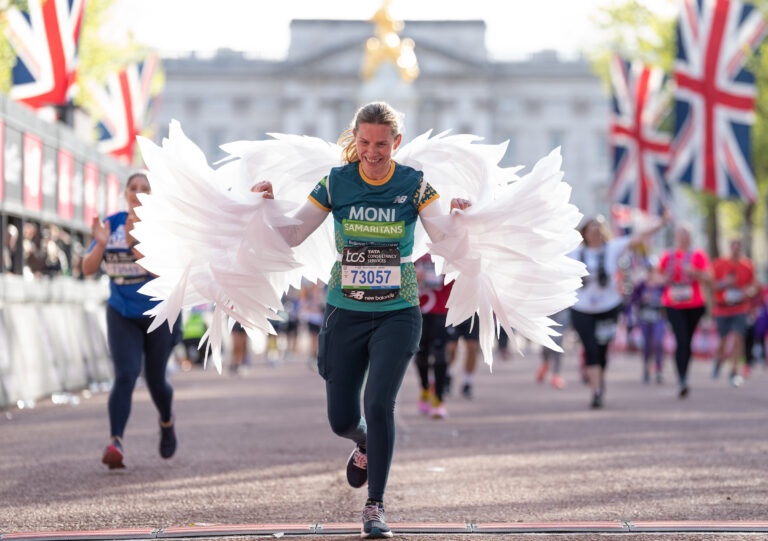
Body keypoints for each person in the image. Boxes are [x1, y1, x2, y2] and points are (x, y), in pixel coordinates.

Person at [252, 102, 472, 539]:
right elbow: (295, 232)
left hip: (398, 310)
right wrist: (267, 207)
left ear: (397, 143)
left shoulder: (414, 185)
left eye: (382, 145)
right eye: (365, 143)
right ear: (354, 138)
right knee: (341, 419)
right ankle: (364, 442)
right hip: (344, 310)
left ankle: (375, 506)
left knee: (379, 403)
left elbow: (443, 235)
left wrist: (461, 215)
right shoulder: (336, 182)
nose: (372, 153)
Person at [82, 171, 182, 470]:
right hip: (121, 311)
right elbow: (87, 269)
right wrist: (100, 244)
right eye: (133, 188)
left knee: (154, 381)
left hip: (158, 314)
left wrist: (135, 243)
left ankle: (166, 421)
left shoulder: (163, 227)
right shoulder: (111, 224)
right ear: (125, 193)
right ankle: (116, 442)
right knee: (125, 375)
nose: (138, 193)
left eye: (144, 189)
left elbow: (167, 276)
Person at [569, 213, 667, 409]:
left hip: (608, 308)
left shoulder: (613, 248)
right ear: (584, 233)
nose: (595, 233)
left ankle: (598, 380)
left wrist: (661, 222)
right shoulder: (574, 252)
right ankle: (597, 392)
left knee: (602, 350)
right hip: (582, 309)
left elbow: (639, 237)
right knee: (590, 348)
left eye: (599, 229)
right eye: (591, 229)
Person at [659, 223, 711, 398]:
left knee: (687, 341)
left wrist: (694, 272)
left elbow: (709, 277)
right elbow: (657, 278)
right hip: (673, 303)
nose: (683, 238)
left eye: (686, 235)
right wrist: (666, 276)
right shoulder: (668, 255)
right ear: (676, 237)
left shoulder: (698, 255)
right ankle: (682, 378)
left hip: (695, 303)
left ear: (691, 237)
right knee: (681, 339)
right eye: (681, 234)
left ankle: (684, 375)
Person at [710, 239, 756, 387]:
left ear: (740, 248)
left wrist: (749, 292)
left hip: (740, 308)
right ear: (730, 248)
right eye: (733, 246)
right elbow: (712, 285)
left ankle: (734, 371)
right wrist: (725, 283)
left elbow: (754, 286)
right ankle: (719, 359)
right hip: (722, 308)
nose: (736, 249)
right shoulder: (719, 263)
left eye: (738, 246)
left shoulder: (747, 265)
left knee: (738, 338)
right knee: (723, 339)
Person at [413, 254, 450, 419]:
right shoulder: (414, 244)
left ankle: (439, 399)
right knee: (421, 354)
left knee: (440, 354)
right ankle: (425, 388)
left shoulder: (447, 243)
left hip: (441, 309)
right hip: (418, 309)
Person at [535, 309, 569, 389]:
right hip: (545, 305)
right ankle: (545, 364)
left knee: (557, 341)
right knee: (546, 341)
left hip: (562, 305)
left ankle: (556, 375)